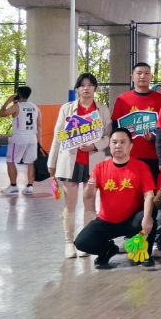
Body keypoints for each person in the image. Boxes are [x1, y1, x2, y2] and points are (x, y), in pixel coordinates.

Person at [48, 73, 112, 259]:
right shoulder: (67, 109)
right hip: (70, 161)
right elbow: (58, 137)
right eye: (82, 85)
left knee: (90, 203)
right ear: (77, 88)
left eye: (90, 85)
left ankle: (86, 242)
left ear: (95, 88)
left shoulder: (102, 110)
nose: (86, 88)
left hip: (93, 161)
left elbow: (108, 136)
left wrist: (94, 146)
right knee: (70, 204)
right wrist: (51, 163)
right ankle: (69, 243)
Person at [73, 128, 156, 268]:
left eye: (123, 142)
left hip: (131, 221)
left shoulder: (141, 167)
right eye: (114, 142)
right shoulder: (99, 168)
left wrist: (147, 217)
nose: (118, 146)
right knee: (82, 242)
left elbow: (149, 195)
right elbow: (87, 196)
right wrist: (89, 189)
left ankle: (145, 254)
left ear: (130, 146)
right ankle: (108, 249)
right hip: (106, 221)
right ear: (109, 145)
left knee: (150, 213)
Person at [110, 62, 161, 179]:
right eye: (139, 73)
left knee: (153, 189)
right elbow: (115, 129)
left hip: (154, 156)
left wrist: (154, 137)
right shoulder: (122, 100)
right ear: (132, 77)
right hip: (129, 156)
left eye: (146, 73)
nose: (142, 76)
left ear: (151, 77)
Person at [0, 86, 42, 195]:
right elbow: (39, 125)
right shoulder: (35, 107)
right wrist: (39, 141)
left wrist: (7, 102)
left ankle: (13, 186)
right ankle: (30, 187)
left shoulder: (17, 106)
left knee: (10, 160)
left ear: (18, 94)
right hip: (32, 137)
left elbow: (1, 114)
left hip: (19, 137)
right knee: (30, 162)